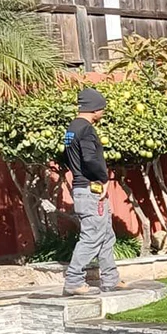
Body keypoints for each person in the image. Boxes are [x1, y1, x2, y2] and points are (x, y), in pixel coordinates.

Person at [62, 87, 126, 296]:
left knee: (106, 235)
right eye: (102, 108)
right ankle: (73, 281)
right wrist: (103, 179)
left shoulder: (72, 128)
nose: (103, 112)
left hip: (83, 189)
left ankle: (110, 280)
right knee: (91, 236)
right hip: (91, 191)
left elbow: (70, 159)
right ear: (94, 108)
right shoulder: (86, 129)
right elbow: (90, 159)